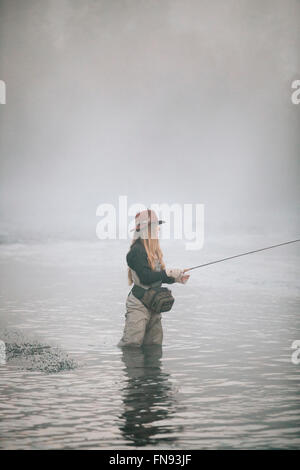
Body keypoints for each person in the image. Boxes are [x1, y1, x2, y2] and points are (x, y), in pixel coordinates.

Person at [117, 209, 190, 348]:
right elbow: (145, 278)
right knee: (131, 345)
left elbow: (157, 277)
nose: (158, 229)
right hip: (138, 305)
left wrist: (176, 278)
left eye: (158, 226)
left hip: (154, 305)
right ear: (146, 229)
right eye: (155, 226)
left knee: (154, 346)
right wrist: (167, 273)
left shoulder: (153, 251)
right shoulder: (136, 251)